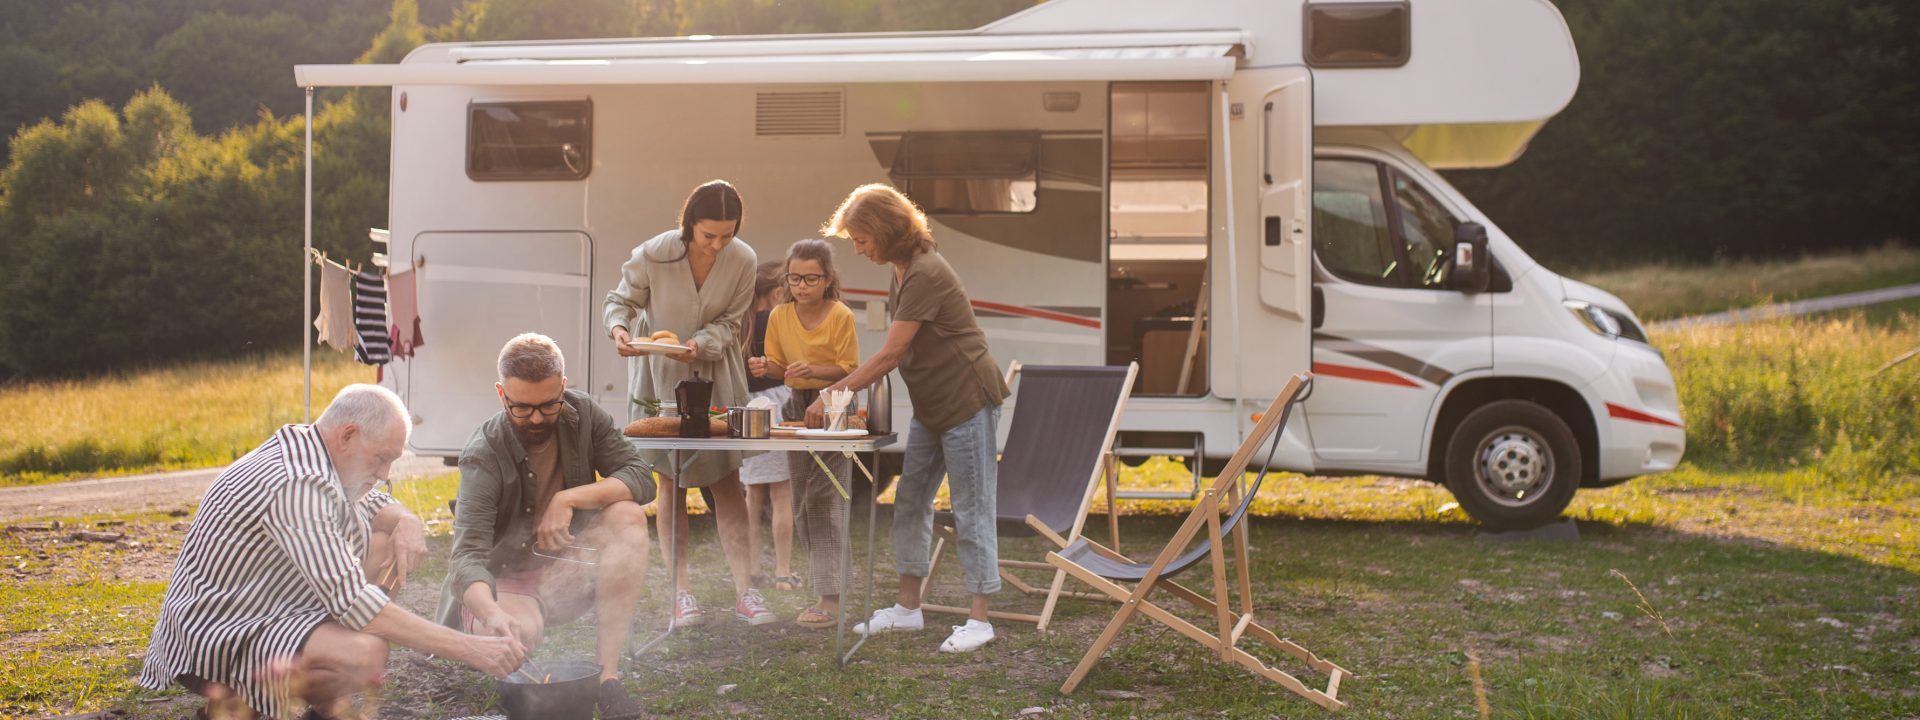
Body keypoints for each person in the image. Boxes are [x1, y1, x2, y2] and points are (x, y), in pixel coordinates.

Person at [139, 385, 527, 720]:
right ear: (348, 435)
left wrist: (405, 519)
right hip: (218, 637)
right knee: (364, 653)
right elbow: (355, 604)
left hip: (264, 609)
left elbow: (370, 502)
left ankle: (315, 706)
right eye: (381, 458)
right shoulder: (294, 484)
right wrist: (471, 648)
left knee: (384, 540)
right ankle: (238, 705)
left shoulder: (315, 450)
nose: (385, 473)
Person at [810, 184, 1009, 653]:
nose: (858, 249)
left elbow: (892, 353)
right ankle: (907, 609)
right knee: (910, 502)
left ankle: (980, 620)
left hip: (966, 400)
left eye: (862, 239)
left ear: (885, 229)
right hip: (932, 407)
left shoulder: (925, 271)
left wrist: (834, 393)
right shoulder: (902, 269)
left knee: (971, 509)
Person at [436, 333, 655, 720]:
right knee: (516, 633)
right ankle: (504, 634)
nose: (536, 418)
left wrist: (567, 499)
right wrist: (491, 614)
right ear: (501, 394)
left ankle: (608, 678)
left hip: (568, 572)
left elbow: (641, 477)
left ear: (563, 388)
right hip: (508, 585)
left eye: (547, 406)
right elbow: (466, 558)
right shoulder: (483, 454)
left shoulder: (583, 413)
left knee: (628, 516)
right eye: (521, 408)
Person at [603, 179, 774, 626]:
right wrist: (620, 331)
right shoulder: (655, 253)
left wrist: (699, 344)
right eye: (708, 235)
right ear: (689, 226)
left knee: (726, 483)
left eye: (727, 234)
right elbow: (620, 301)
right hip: (658, 377)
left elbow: (732, 321)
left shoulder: (744, 259)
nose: (718, 245)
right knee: (669, 483)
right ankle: (681, 594)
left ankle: (745, 592)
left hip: (716, 375)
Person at [749, 239, 860, 629]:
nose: (801, 286)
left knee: (823, 497)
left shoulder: (840, 315)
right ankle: (827, 589)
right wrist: (768, 368)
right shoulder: (780, 315)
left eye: (810, 278)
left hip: (834, 405)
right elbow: (783, 370)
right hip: (797, 405)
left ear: (827, 279)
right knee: (799, 500)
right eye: (794, 278)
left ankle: (831, 597)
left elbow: (849, 369)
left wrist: (811, 371)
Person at [738, 260, 798, 592]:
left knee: (752, 495)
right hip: (776, 407)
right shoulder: (778, 322)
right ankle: (782, 571)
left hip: (748, 410)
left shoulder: (741, 324)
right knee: (782, 494)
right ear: (777, 292)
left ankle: (750, 568)